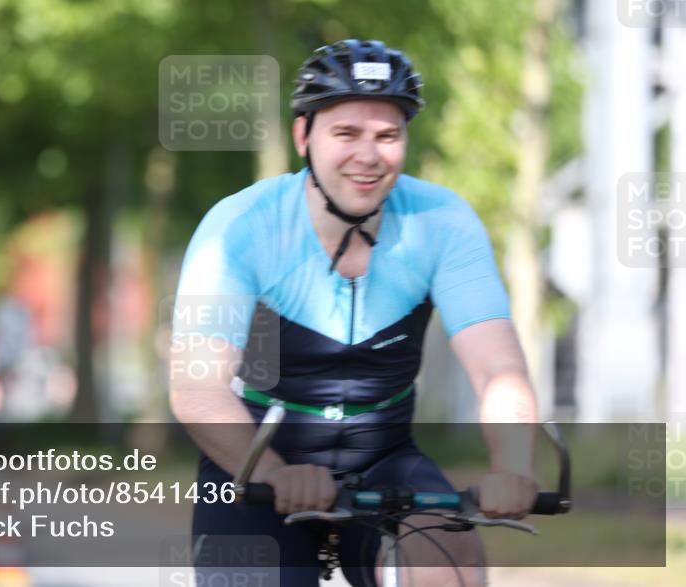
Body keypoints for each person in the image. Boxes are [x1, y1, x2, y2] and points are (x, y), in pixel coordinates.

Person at [169, 39, 539, 586]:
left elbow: (498, 370)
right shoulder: (240, 226)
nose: (368, 155)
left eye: (387, 136)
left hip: (384, 457)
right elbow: (196, 388)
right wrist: (272, 472)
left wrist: (513, 468)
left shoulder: (443, 222)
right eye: (346, 133)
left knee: (448, 563)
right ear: (303, 136)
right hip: (255, 459)